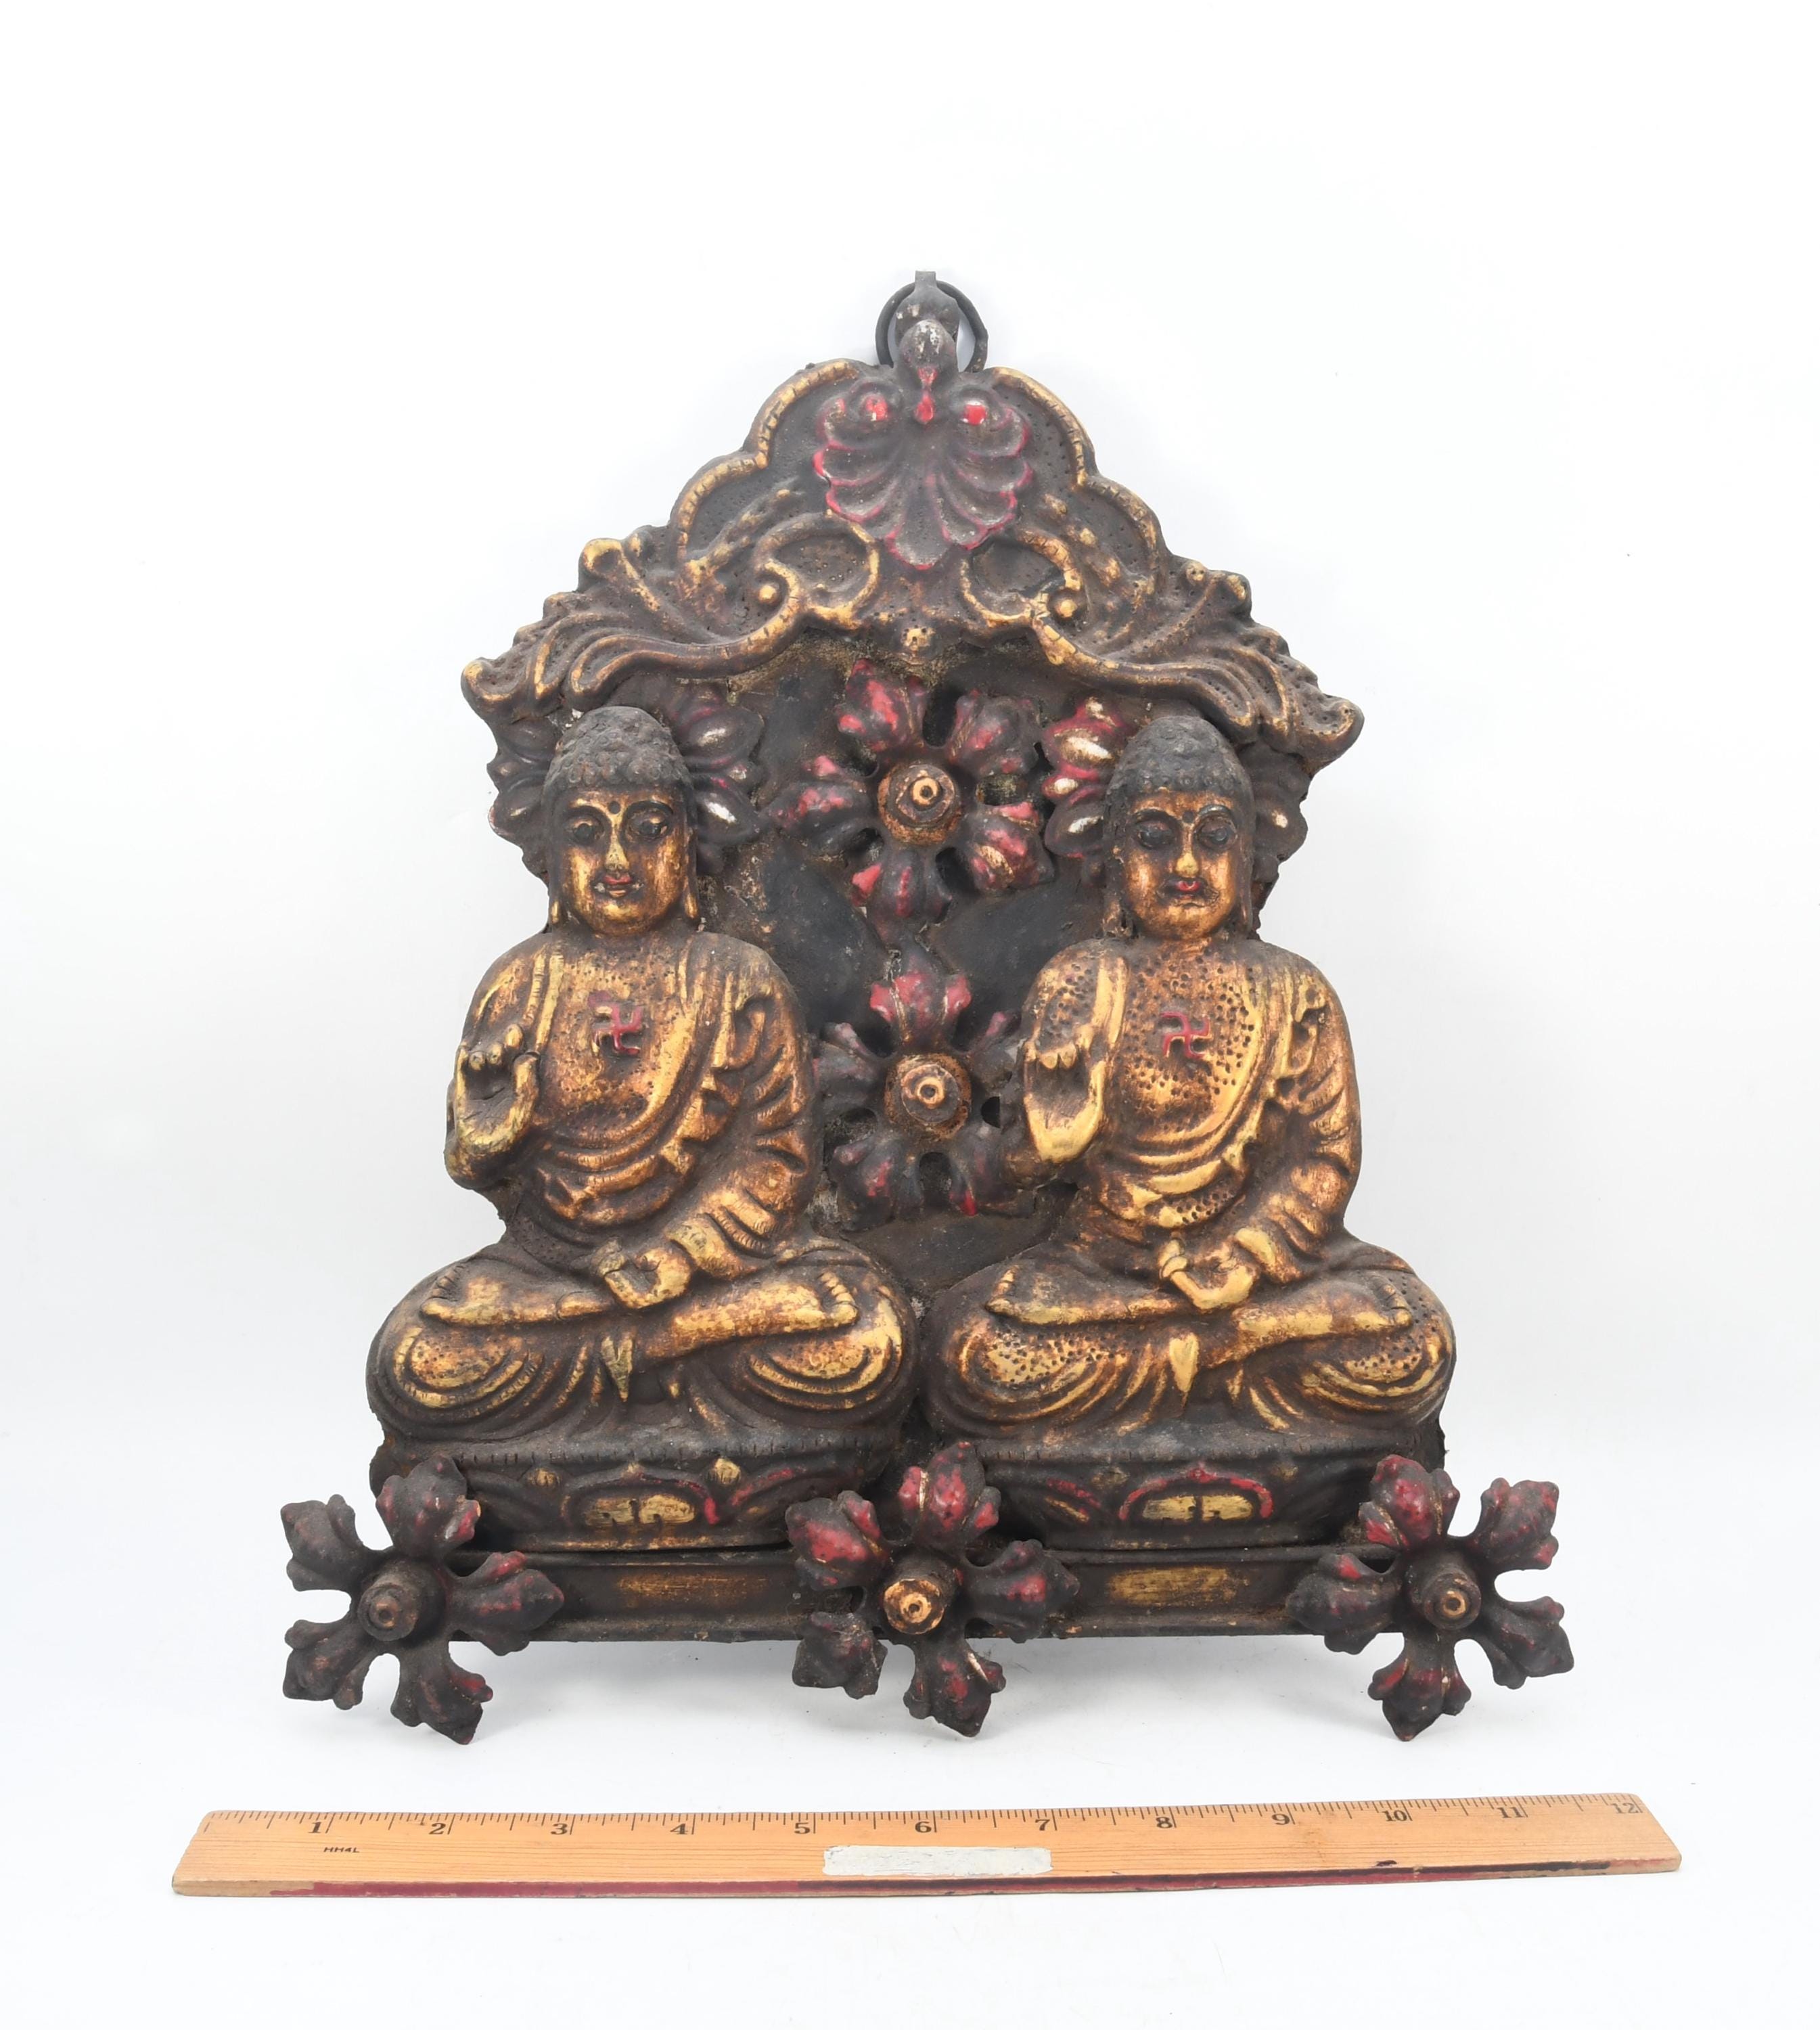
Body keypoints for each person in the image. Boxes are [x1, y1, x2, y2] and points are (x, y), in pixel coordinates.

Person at [368, 706, 911, 1442]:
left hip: (705, 1277)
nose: (618, 861)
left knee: (869, 1337)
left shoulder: (737, 980)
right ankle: (649, 1351)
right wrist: (486, 1141)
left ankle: (654, 1345)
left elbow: (778, 1161)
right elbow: (476, 1169)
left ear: (688, 842)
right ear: (552, 850)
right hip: (553, 1274)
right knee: (417, 1357)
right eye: (587, 833)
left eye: (650, 829)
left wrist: (680, 1256)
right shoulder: (521, 984)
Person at [924, 714, 1453, 1437]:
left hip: (1254, 1278)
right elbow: (1022, 1166)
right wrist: (1054, 1128)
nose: (1183, 864)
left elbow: (1322, 1160)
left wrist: (1244, 1259)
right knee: (976, 1348)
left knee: (1413, 1335)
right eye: (1152, 837)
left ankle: (1201, 1352)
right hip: (1109, 1270)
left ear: (1246, 852)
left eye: (1213, 837)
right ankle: (1218, 1360)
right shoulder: (1084, 979)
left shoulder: (1292, 992)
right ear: (1114, 856)